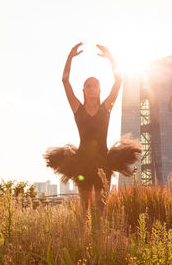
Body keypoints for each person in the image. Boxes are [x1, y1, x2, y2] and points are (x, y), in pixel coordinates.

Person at [44, 43, 142, 215]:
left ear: (99, 90)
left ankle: (100, 238)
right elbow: (65, 81)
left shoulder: (106, 108)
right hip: (82, 162)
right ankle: (83, 240)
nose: (91, 88)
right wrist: (69, 58)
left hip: (104, 161)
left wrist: (111, 57)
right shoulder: (77, 108)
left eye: (95, 85)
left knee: (101, 207)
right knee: (85, 209)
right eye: (88, 85)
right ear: (84, 90)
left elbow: (119, 80)